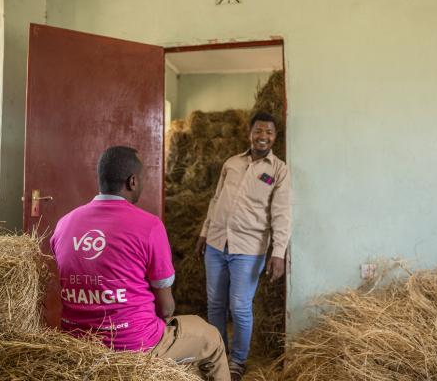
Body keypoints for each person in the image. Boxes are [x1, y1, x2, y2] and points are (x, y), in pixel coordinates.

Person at [50, 146, 229, 381]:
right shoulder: (149, 226)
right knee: (212, 339)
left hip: (77, 344)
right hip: (134, 345)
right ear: (132, 181)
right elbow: (166, 309)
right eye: (142, 178)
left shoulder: (64, 224)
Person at [195, 112, 292, 381]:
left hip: (249, 248)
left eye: (269, 132)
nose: (263, 136)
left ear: (275, 137)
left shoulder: (278, 171)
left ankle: (238, 360)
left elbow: (282, 214)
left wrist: (278, 253)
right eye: (258, 130)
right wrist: (204, 232)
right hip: (216, 243)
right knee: (215, 304)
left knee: (239, 306)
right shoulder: (232, 163)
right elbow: (216, 200)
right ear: (249, 133)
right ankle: (216, 355)